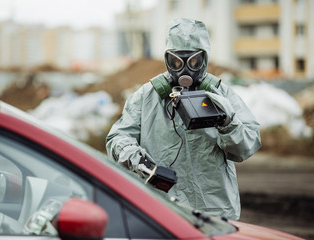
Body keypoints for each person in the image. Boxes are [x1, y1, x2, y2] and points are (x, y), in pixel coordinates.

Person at [106, 18, 261, 220]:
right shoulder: (147, 96)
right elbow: (117, 139)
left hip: (214, 212)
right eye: (176, 61)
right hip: (162, 210)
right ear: (167, 60)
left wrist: (228, 123)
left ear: (204, 58)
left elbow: (248, 145)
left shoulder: (221, 94)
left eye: (194, 61)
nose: (185, 69)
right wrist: (140, 162)